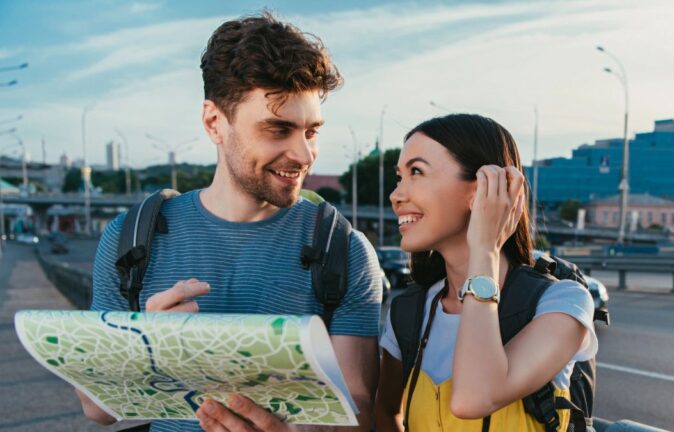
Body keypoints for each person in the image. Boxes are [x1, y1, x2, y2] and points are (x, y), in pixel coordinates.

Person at [77, 13, 382, 432]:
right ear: (214, 122)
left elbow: (360, 410)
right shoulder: (130, 238)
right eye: (278, 130)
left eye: (311, 131)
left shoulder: (342, 249)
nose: (305, 154)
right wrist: (142, 347)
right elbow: (98, 410)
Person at [375, 114, 598, 431]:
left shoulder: (561, 302)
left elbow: (473, 399)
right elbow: (386, 414)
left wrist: (486, 249)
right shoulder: (409, 313)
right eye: (400, 177)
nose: (396, 195)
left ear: (480, 190)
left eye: (416, 172)